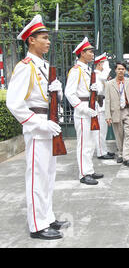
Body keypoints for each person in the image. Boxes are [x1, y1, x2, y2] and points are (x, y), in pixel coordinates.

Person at [6, 14, 70, 240]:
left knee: (48, 174)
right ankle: (37, 225)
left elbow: (48, 98)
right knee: (36, 176)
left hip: (49, 124)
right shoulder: (25, 67)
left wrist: (57, 90)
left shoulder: (42, 65)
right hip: (37, 126)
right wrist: (39, 123)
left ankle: (47, 216)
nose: (48, 41)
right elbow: (14, 103)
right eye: (43, 38)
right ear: (31, 40)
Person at [65, 37, 104, 185]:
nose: (92, 54)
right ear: (82, 53)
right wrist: (83, 108)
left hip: (91, 109)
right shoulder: (76, 71)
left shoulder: (87, 70)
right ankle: (83, 173)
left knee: (91, 142)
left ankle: (89, 170)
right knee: (83, 143)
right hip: (83, 112)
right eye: (90, 51)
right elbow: (70, 93)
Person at [105, 62, 129, 167]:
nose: (121, 71)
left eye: (123, 69)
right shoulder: (109, 84)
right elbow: (108, 101)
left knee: (128, 134)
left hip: (127, 111)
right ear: (115, 70)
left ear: (125, 70)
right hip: (116, 112)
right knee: (119, 135)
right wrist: (108, 116)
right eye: (119, 69)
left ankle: (127, 157)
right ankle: (120, 153)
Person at [93, 53, 115, 160]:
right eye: (104, 64)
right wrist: (106, 69)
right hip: (99, 104)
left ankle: (104, 149)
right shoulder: (97, 75)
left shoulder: (101, 76)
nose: (106, 67)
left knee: (103, 131)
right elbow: (99, 90)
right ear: (99, 65)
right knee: (100, 131)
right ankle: (100, 152)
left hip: (103, 105)